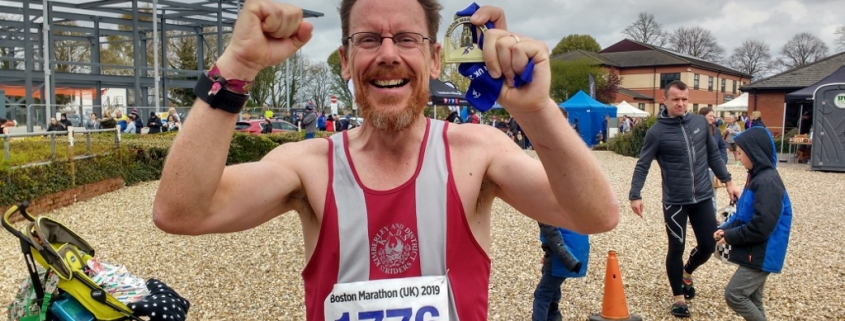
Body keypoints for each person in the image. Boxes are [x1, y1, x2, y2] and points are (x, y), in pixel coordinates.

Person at [152, 1, 618, 320]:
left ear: (436, 59)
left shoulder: (478, 153)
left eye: (407, 39)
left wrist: (535, 108)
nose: (389, 54)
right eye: (369, 39)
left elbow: (595, 215)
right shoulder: (309, 165)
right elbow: (180, 211)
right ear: (345, 61)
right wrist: (237, 66)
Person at [628, 80, 741, 317]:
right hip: (675, 200)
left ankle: (687, 273)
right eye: (676, 99)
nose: (680, 103)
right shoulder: (656, 132)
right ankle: (678, 297)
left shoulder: (700, 123)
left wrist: (729, 181)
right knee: (676, 247)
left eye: (684, 99)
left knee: (709, 244)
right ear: (665, 101)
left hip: (701, 196)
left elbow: (713, 155)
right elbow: (643, 165)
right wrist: (635, 195)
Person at [714, 127, 792, 321]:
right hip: (757, 250)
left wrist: (730, 237)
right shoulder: (756, 177)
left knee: (735, 295)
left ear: (754, 152)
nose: (738, 157)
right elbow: (743, 215)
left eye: (740, 153)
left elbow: (762, 226)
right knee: (753, 300)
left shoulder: (767, 182)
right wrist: (724, 229)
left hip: (763, 252)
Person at [532, 222, 588, 321]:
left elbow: (554, 239)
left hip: (565, 257)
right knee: (551, 282)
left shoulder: (545, 212)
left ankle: (549, 316)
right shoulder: (568, 208)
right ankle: (553, 315)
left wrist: (570, 262)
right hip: (578, 252)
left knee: (542, 295)